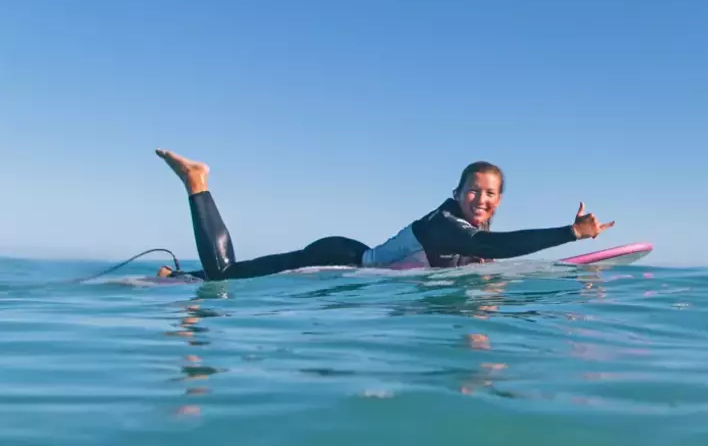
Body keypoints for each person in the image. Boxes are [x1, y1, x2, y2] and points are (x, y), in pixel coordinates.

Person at [153, 149, 615, 281]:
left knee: (225, 276)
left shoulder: (468, 229)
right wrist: (571, 233)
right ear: (456, 192)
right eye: (474, 190)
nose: (482, 199)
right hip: (338, 260)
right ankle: (197, 182)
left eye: (491, 194)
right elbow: (490, 247)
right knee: (226, 277)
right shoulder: (445, 224)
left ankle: (179, 278)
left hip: (351, 261)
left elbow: (485, 258)